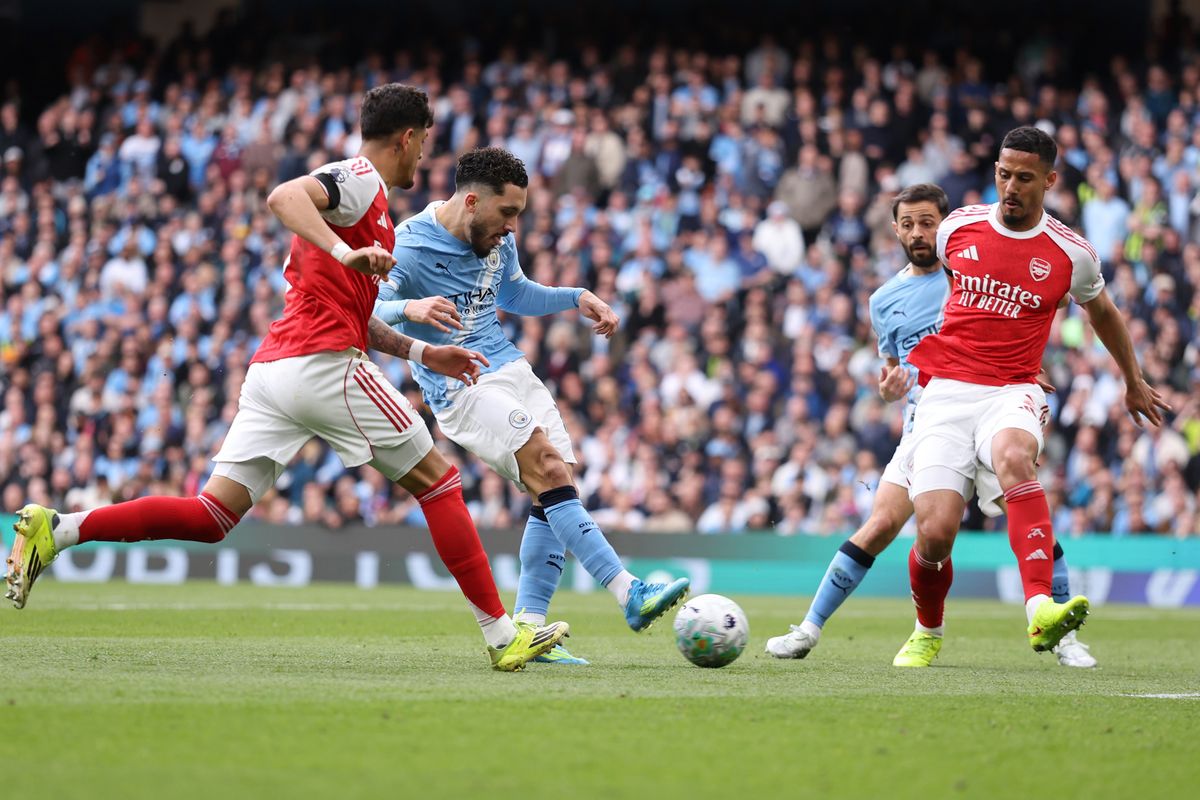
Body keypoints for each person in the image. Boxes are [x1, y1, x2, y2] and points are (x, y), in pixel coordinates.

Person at [5, 84, 568, 672]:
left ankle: (59, 529)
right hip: (324, 365)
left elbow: (352, 312)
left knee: (211, 515)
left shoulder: (372, 214)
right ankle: (503, 636)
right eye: (423, 142)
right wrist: (344, 252)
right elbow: (283, 195)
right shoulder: (360, 179)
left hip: (275, 369)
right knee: (440, 484)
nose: (424, 155)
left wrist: (423, 352)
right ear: (406, 138)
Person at [376, 146, 690, 664]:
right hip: (462, 384)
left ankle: (530, 628)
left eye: (518, 214)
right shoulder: (408, 245)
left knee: (558, 481)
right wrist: (410, 306)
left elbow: (514, 293)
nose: (512, 226)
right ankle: (629, 592)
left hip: (512, 369)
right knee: (546, 464)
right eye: (507, 213)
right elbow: (369, 307)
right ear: (472, 201)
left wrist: (575, 296)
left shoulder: (497, 236)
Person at [764, 183, 1097, 668]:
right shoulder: (884, 300)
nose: (918, 233)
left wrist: (1021, 365)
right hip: (926, 422)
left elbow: (1041, 302)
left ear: (946, 225)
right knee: (886, 525)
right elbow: (892, 369)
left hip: (991, 408)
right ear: (895, 230)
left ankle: (1065, 639)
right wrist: (888, 390)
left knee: (1022, 505)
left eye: (927, 223)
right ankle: (810, 630)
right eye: (908, 224)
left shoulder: (973, 267)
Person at [892, 127, 1170, 667]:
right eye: (1003, 174)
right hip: (947, 390)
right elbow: (931, 283)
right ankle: (928, 629)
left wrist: (1132, 379)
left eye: (1024, 177)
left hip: (1013, 388)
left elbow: (1104, 312)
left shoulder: (1071, 253)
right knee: (935, 533)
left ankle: (1041, 609)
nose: (1011, 187)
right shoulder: (957, 228)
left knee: (1015, 458)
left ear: (1050, 180)